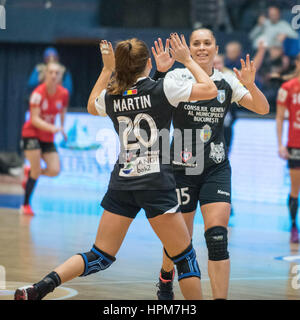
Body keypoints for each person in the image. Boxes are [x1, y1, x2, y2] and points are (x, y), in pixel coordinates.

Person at [14, 34, 218, 300]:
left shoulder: (112, 95)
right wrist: (186, 60)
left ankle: (39, 289)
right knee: (185, 257)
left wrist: (107, 69)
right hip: (156, 183)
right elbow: (210, 90)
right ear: (147, 64)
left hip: (123, 180)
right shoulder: (165, 87)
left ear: (120, 66)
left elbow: (91, 105)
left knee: (100, 255)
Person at [152, 28, 269, 300]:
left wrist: (250, 85)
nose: (202, 47)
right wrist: (159, 72)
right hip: (182, 166)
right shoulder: (176, 76)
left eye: (207, 43)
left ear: (216, 49)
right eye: (196, 43)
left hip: (216, 166)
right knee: (181, 240)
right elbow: (153, 108)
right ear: (189, 49)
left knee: (217, 238)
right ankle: (165, 275)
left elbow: (262, 109)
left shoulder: (227, 81)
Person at [20, 62, 69, 216]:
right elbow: (34, 119)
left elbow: (62, 111)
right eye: (51, 72)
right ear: (45, 75)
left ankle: (29, 173)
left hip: (47, 136)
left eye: (57, 73)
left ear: (61, 76)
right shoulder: (37, 93)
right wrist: (52, 128)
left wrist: (62, 127)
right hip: (31, 133)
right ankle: (25, 205)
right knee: (36, 170)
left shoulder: (64, 93)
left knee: (55, 170)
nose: (54, 75)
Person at [276, 53, 300, 243]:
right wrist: (280, 144)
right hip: (295, 144)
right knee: (295, 188)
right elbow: (279, 117)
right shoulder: (287, 88)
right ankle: (293, 226)